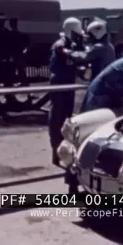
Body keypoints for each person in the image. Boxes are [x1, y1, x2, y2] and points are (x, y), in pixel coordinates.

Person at [48, 17, 84, 169]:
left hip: (68, 84)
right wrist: (74, 53)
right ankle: (55, 153)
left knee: (67, 118)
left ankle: (64, 151)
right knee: (57, 117)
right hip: (59, 84)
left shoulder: (73, 45)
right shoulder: (61, 43)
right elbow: (60, 50)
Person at [7, 18, 30, 85]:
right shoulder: (18, 34)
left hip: (16, 54)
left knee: (16, 70)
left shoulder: (11, 34)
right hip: (17, 54)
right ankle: (23, 82)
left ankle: (22, 82)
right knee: (19, 70)